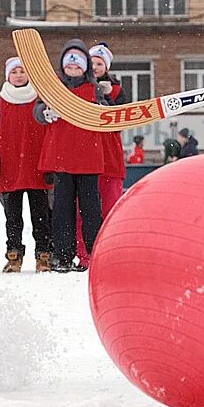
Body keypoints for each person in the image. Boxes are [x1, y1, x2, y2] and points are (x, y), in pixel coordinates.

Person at [34, 39, 104, 272]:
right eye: (69, 65)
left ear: (85, 67)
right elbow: (37, 109)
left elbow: (108, 114)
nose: (73, 69)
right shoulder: (52, 86)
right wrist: (45, 113)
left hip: (89, 159)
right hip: (62, 159)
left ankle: (95, 254)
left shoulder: (95, 89)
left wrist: (101, 109)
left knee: (91, 210)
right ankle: (63, 257)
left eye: (77, 66)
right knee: (62, 211)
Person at [0, 57, 52, 274]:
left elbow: (50, 134)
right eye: (14, 72)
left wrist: (50, 165)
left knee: (41, 216)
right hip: (10, 169)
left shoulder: (40, 101)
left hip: (37, 169)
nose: (19, 75)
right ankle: (14, 254)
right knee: (13, 218)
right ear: (8, 76)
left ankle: (43, 255)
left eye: (23, 71)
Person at [76, 42, 126, 268]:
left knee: (111, 209)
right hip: (85, 159)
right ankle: (86, 255)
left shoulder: (116, 90)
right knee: (84, 212)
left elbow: (121, 121)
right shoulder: (78, 88)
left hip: (110, 159)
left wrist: (107, 99)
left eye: (99, 63)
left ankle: (111, 254)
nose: (95, 67)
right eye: (92, 62)